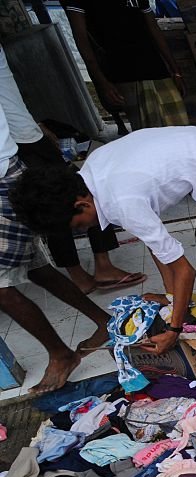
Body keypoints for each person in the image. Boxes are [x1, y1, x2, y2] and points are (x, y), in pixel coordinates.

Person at [12, 126, 196, 383]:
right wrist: (173, 300)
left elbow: (185, 270)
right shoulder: (92, 173)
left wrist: (174, 329)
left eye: (79, 225)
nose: (86, 229)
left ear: (81, 204)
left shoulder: (121, 201)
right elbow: (155, 243)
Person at [0, 46, 143, 293]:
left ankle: (99, 266)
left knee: (76, 194)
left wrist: (33, 125)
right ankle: (81, 273)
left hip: (22, 134)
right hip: (14, 147)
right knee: (55, 206)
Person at [0, 108, 110, 394]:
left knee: (1, 286)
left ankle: (61, 354)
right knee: (37, 267)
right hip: (7, 169)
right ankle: (105, 322)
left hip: (2, 177)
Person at [63, 0, 187, 131]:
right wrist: (102, 82)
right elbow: (81, 40)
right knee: (146, 133)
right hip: (123, 74)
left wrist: (176, 71)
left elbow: (153, 28)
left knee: (179, 126)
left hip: (156, 67)